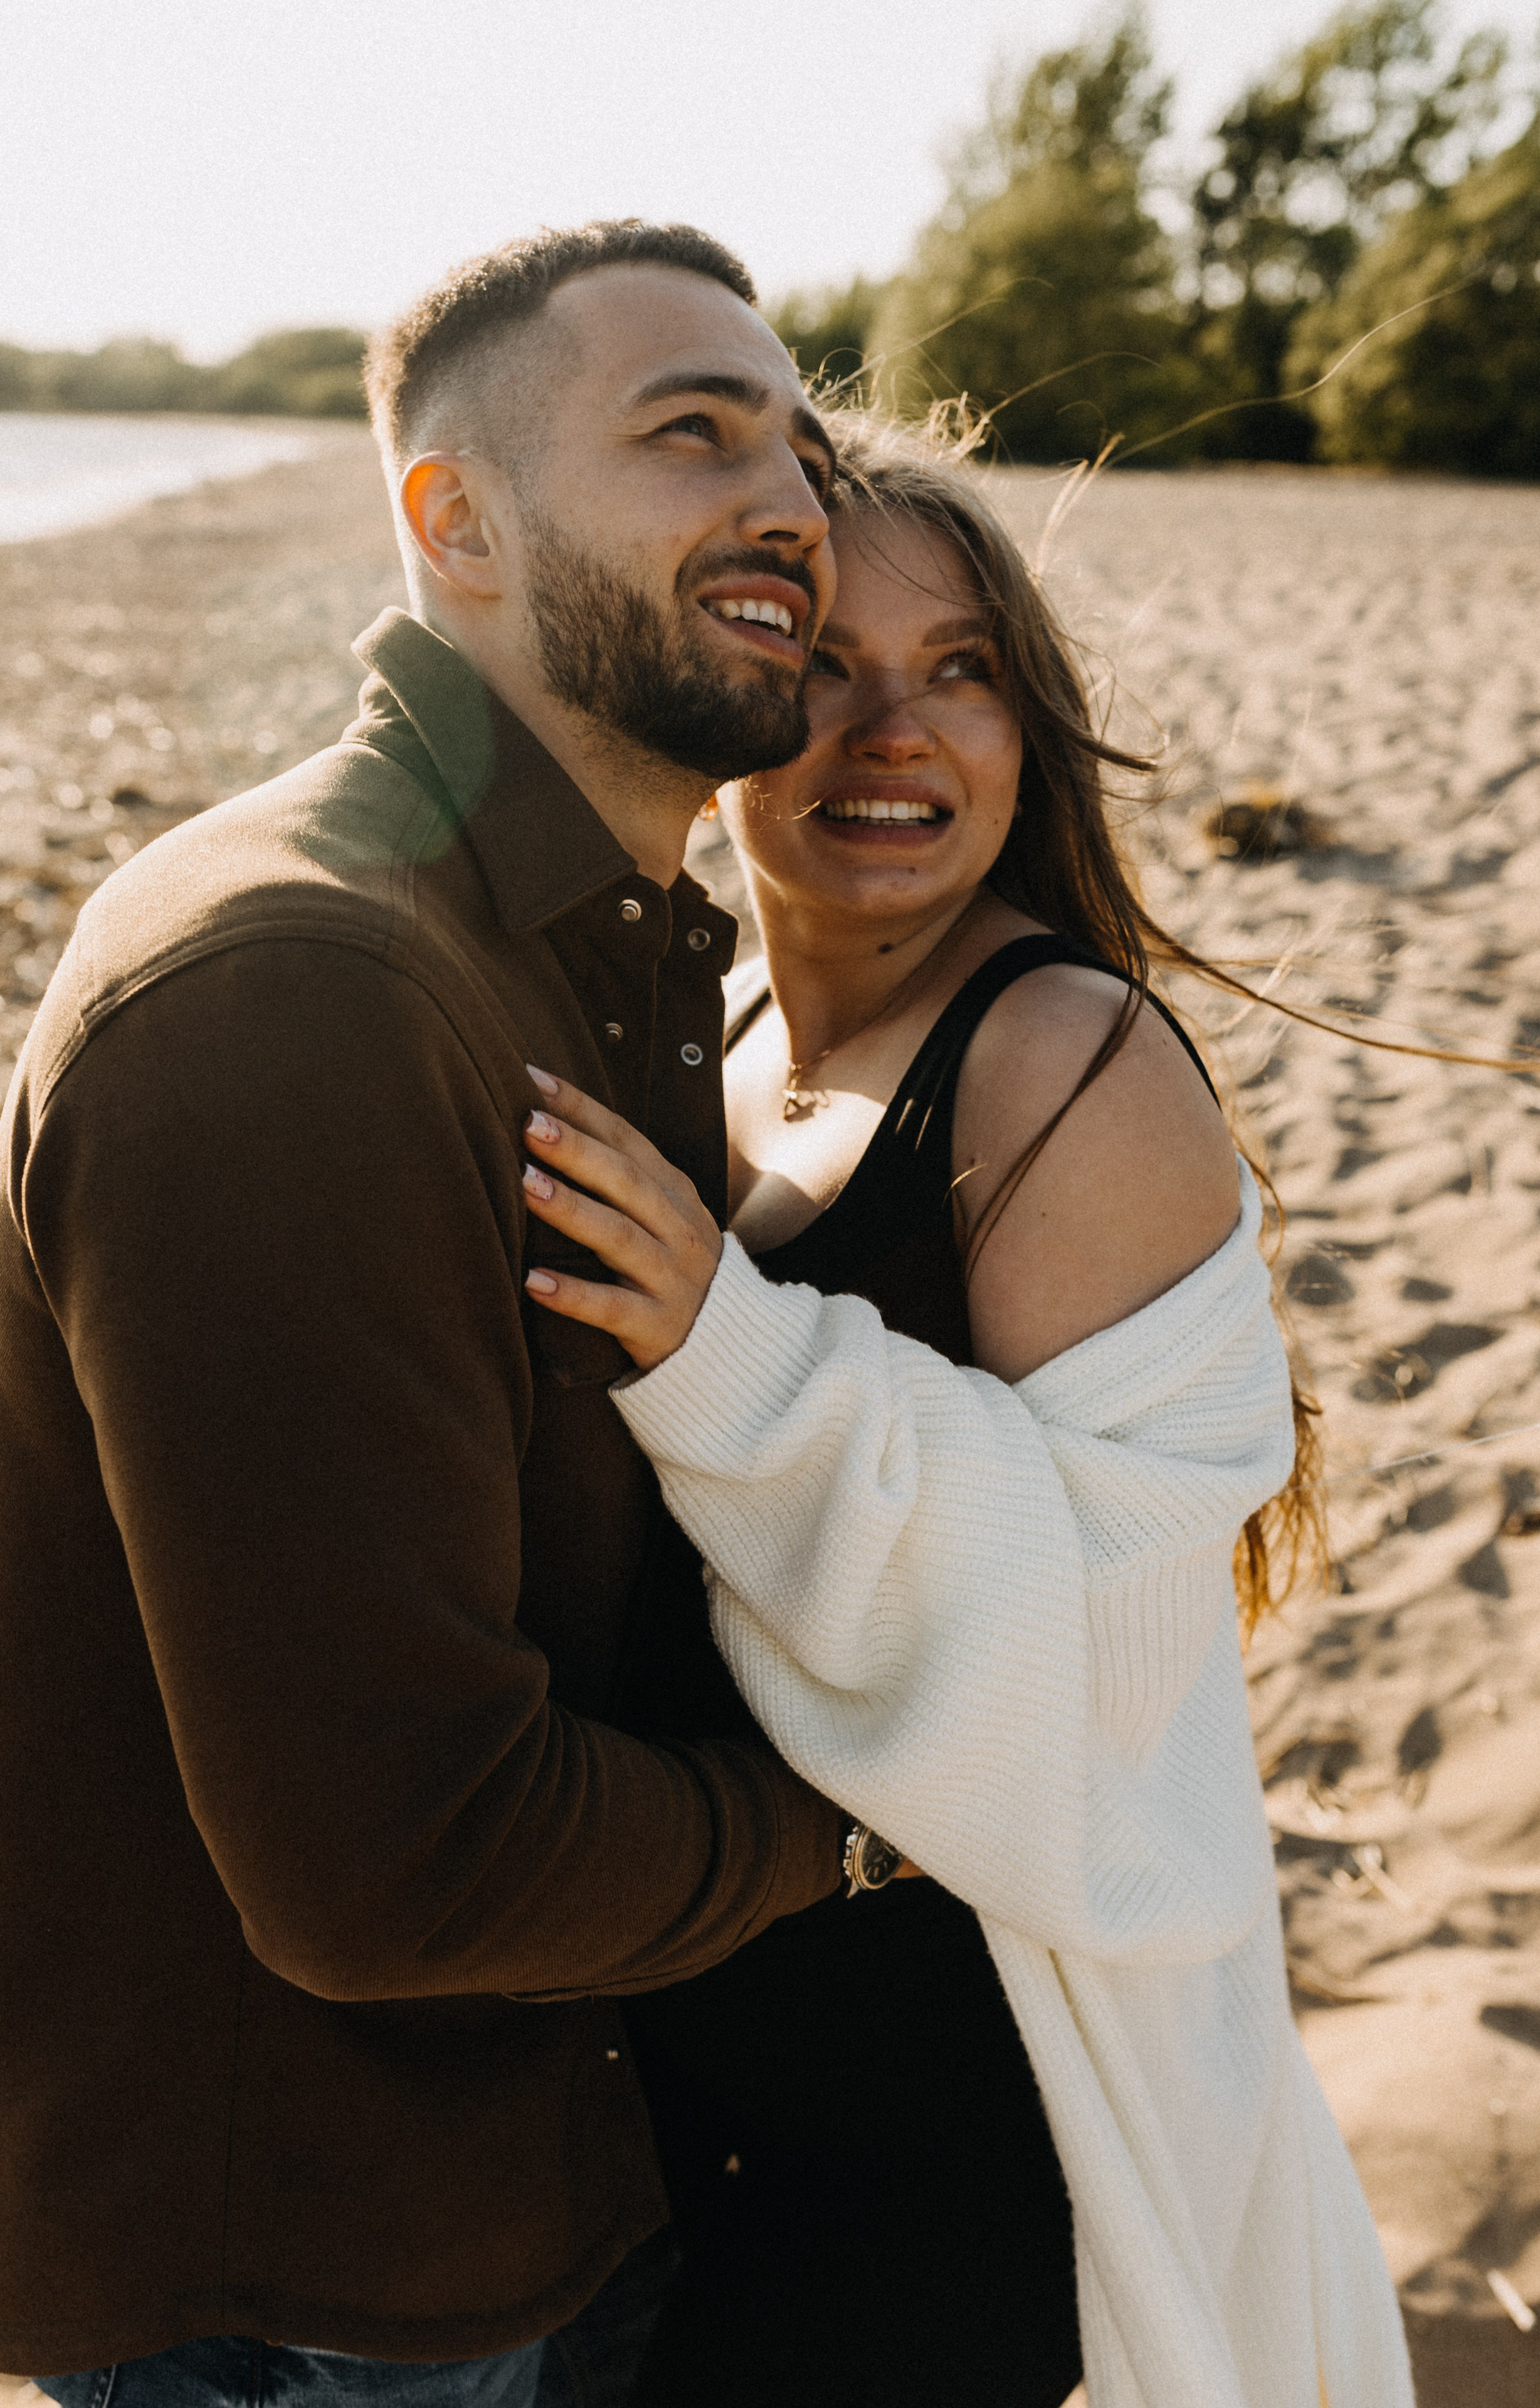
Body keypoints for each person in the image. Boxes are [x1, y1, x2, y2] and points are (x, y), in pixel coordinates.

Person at [0, 221, 855, 2408]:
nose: (789, 502)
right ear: (448, 522)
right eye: (692, 431)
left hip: (518, 2204)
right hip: (307, 2300)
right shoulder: (301, 991)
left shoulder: (598, 953)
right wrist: (859, 1819)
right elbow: (399, 1864)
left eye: (803, 448)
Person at [512, 417, 1415, 2407]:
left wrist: (729, 1358)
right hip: (689, 2082)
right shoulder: (722, 1035)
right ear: (722, 702)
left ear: (1032, 721)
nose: (890, 733)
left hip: (933, 2135)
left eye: (960, 671)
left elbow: (1098, 1655)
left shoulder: (1060, 1066)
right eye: (822, 668)